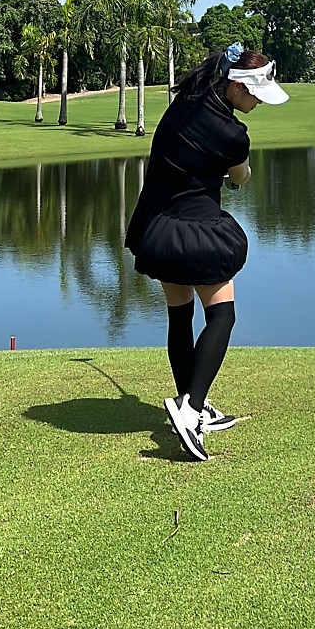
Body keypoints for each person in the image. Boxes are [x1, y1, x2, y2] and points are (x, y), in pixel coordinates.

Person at [124, 42, 289, 461]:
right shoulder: (233, 135)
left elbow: (215, 61)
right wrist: (239, 173)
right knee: (222, 315)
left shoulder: (187, 101)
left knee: (180, 317)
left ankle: (189, 399)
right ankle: (192, 410)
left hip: (158, 229)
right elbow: (241, 177)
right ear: (236, 86)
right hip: (197, 234)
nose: (257, 103)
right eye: (255, 95)